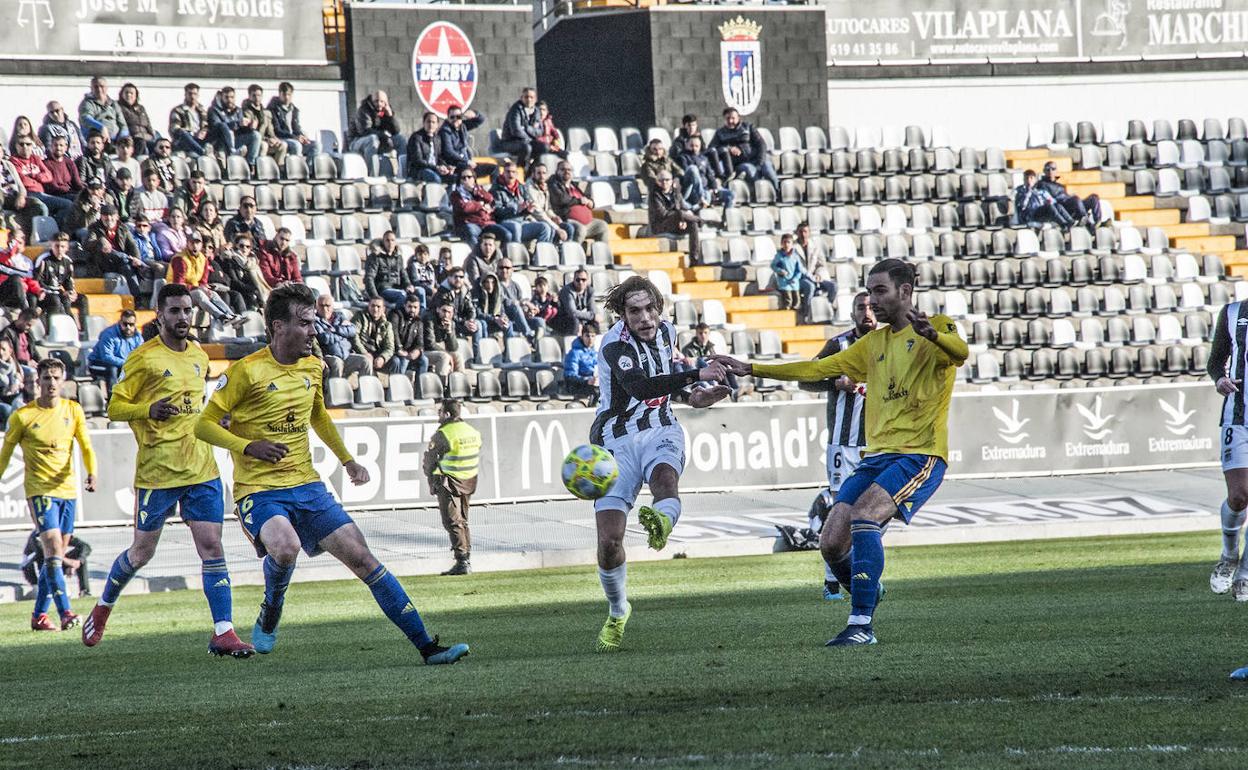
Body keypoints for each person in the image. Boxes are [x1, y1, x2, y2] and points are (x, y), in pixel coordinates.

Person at [193, 282, 469, 663]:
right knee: (285, 547)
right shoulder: (246, 372)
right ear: (277, 327)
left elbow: (318, 415)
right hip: (259, 490)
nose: (313, 330)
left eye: (314, 322)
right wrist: (248, 446)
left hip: (307, 485)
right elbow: (203, 425)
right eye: (305, 323)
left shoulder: (312, 366)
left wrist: (347, 460)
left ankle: (428, 647)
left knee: (364, 559)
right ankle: (271, 609)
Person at [711, 258, 968, 647]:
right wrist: (751, 367)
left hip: (920, 454)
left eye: (880, 291)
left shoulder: (939, 326)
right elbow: (818, 370)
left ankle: (861, 624)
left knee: (865, 518)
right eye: (869, 291)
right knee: (831, 541)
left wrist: (932, 335)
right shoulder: (873, 344)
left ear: (906, 291)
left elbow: (959, 352)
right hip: (876, 456)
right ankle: (869, 591)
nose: (872, 300)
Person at [83, 284, 254, 656]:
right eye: (174, 311)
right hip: (158, 472)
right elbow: (114, 408)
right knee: (142, 553)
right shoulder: (143, 359)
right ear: (159, 315)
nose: (181, 318)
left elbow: (197, 405)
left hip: (201, 467)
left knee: (211, 547)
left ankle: (224, 632)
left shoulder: (197, 355)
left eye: (186, 311)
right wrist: (148, 410)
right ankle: (104, 605)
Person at [589, 276, 731, 651]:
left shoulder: (668, 332)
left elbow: (666, 385)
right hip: (615, 441)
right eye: (635, 311)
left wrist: (697, 397)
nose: (646, 318)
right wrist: (697, 374)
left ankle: (661, 522)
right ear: (623, 315)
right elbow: (640, 387)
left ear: (659, 308)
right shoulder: (613, 345)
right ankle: (619, 610)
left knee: (665, 480)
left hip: (660, 428)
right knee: (608, 542)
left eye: (651, 308)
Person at [0, 358, 98, 632]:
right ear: (38, 382)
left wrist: (92, 472)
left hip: (68, 491)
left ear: (63, 380)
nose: (51, 383)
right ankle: (66, 611)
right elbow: (5, 454)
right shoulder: (23, 416)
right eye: (46, 378)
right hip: (40, 490)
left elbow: (87, 446)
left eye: (56, 378)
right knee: (54, 549)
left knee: (55, 556)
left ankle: (39, 616)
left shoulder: (73, 410)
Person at [805, 291, 875, 600]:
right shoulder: (839, 345)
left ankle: (862, 575)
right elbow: (805, 379)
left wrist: (857, 385)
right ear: (852, 314)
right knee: (839, 510)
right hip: (842, 446)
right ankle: (831, 580)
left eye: (872, 306)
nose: (867, 312)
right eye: (861, 307)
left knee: (870, 513)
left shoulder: (890, 344)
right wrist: (834, 381)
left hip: (876, 443)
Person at [1206, 299, 1248, 603]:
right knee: (1239, 494)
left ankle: (1245, 576)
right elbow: (1215, 360)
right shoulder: (1234, 312)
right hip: (1238, 416)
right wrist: (1219, 379)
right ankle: (1228, 554)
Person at [422, 399, 482, 576]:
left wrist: (431, 480)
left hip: (448, 482)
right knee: (463, 519)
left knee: (452, 520)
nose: (438, 415)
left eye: (440, 411)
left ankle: (462, 561)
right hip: (469, 481)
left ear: (447, 414)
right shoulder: (472, 431)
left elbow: (429, 461)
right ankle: (466, 556)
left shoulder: (443, 434)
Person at [167, 230, 246, 330]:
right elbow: (178, 285)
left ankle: (232, 316)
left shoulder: (203, 259)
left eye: (198, 243)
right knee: (200, 294)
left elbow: (203, 282)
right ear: (188, 243)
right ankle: (221, 317)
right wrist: (199, 288)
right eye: (192, 243)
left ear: (201, 244)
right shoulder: (180, 259)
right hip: (175, 294)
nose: (195, 246)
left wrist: (204, 289)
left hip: (191, 291)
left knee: (212, 294)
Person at [708, 108, 779, 192]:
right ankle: (761, 195)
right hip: (742, 163)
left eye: (733, 118)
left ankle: (778, 192)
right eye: (728, 118)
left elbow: (761, 144)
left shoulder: (748, 127)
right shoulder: (720, 133)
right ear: (724, 119)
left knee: (769, 172)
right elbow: (711, 148)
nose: (730, 121)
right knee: (751, 173)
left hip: (759, 158)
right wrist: (728, 148)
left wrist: (760, 162)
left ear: (738, 118)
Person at [10, 135, 73, 224]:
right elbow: (22, 180)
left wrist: (34, 176)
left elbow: (48, 176)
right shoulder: (14, 161)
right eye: (21, 144)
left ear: (32, 145)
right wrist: (38, 180)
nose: (25, 147)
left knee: (69, 204)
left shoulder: (35, 158)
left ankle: (55, 230)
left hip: (42, 194)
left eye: (28, 144)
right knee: (65, 204)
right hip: (28, 194)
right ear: (16, 146)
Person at [86, 204, 145, 297]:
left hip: (121, 263)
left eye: (111, 215)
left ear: (117, 216)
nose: (108, 218)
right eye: (105, 215)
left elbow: (132, 245)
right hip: (104, 262)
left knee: (128, 268)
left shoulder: (123, 228)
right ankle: (127, 259)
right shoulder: (94, 228)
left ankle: (137, 299)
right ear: (101, 216)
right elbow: (88, 244)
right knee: (121, 257)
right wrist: (101, 241)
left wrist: (136, 259)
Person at [491, 159, 554, 245]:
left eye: (513, 172)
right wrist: (516, 209)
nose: (510, 174)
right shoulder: (496, 189)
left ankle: (540, 254)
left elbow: (527, 204)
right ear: (503, 173)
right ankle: (516, 254)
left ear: (517, 174)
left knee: (545, 227)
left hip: (522, 222)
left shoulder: (521, 188)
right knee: (516, 226)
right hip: (505, 222)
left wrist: (528, 209)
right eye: (508, 172)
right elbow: (496, 212)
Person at [35, 232, 88, 329]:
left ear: (67, 247)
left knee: (82, 299)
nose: (60, 249)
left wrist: (71, 291)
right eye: (57, 246)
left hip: (59, 293)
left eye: (63, 246)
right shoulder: (43, 260)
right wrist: (56, 291)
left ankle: (85, 330)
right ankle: (53, 330)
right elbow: (36, 282)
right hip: (44, 295)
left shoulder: (67, 261)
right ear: (52, 245)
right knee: (56, 300)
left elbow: (68, 280)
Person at [647, 170, 702, 264]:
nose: (664, 182)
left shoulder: (676, 193)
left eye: (667, 180)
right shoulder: (654, 195)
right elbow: (663, 214)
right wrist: (680, 217)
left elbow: (683, 208)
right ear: (657, 181)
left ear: (672, 181)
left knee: (693, 224)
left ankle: (694, 259)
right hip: (660, 226)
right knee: (679, 214)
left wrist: (683, 220)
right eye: (661, 180)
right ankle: (700, 220)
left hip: (676, 224)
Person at [549, 160, 608, 245]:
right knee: (581, 230)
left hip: (588, 223)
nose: (566, 171)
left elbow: (586, 198)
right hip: (567, 220)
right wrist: (580, 201)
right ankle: (573, 254)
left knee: (602, 226)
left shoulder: (574, 185)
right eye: (563, 169)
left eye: (569, 169)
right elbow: (562, 199)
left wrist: (591, 202)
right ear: (557, 172)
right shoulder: (554, 185)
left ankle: (602, 254)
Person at [313, 292, 370, 379]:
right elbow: (324, 337)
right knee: (337, 363)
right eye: (321, 305)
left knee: (365, 361)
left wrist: (335, 330)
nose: (325, 309)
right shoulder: (315, 321)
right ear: (317, 306)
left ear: (332, 307)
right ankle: (335, 391)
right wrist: (343, 334)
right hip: (329, 356)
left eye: (327, 305)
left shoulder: (339, 316)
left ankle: (365, 390)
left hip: (346, 355)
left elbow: (352, 330)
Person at [348, 90, 406, 171]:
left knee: (400, 139)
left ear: (386, 103)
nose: (379, 104)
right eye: (376, 101)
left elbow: (396, 131)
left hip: (378, 141)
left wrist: (390, 116)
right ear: (371, 100)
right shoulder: (364, 110)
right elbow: (365, 131)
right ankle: (373, 175)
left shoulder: (384, 111)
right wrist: (384, 136)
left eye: (382, 101)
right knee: (372, 139)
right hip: (356, 143)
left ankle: (403, 173)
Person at [23, 529, 91, 597]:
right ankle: (44, 588)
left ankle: (84, 592)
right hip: (42, 568)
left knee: (81, 558)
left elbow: (85, 546)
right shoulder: (38, 537)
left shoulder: (58, 532)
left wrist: (77, 562)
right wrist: (70, 563)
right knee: (61, 595)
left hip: (56, 561)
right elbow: (49, 555)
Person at [450, 167, 509, 247]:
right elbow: (465, 208)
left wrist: (477, 192)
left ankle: (500, 257)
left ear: (474, 179)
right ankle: (477, 256)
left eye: (469, 177)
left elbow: (490, 199)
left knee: (507, 235)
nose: (466, 179)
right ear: (460, 180)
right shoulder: (455, 194)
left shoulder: (479, 190)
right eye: (463, 178)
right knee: (471, 232)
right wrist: (480, 205)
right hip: (469, 223)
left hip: (485, 223)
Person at [1038, 161, 1100, 231]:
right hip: (1063, 207)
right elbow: (1047, 198)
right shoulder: (1042, 184)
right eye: (1048, 169)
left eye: (1053, 169)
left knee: (1093, 198)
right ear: (1044, 171)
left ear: (1056, 171)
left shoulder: (1059, 185)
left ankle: (1098, 222)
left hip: (1073, 205)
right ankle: (1087, 222)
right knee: (1075, 199)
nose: (1050, 171)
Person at [209, 87, 261, 166]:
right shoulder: (214, 110)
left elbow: (242, 129)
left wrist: (249, 126)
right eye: (226, 97)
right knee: (225, 128)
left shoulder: (238, 110)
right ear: (221, 97)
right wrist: (236, 123)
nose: (229, 100)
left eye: (232, 97)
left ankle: (251, 164)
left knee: (256, 135)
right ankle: (232, 151)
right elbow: (217, 127)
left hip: (236, 139)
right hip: (221, 141)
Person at [87, 309, 141, 386]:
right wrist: (127, 363)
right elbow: (106, 357)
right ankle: (112, 395)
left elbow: (140, 354)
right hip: (98, 363)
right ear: (120, 322)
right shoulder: (109, 334)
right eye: (125, 324)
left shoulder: (137, 336)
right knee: (113, 368)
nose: (128, 327)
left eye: (131, 324)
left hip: (123, 363)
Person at [268, 82, 320, 159]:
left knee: (316, 145)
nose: (287, 97)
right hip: (282, 138)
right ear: (279, 94)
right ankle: (296, 169)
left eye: (289, 95)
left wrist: (301, 136)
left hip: (293, 137)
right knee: (296, 145)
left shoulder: (294, 110)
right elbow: (277, 130)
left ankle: (309, 168)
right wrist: (294, 137)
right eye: (284, 94)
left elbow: (296, 127)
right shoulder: (273, 109)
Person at [498, 87, 546, 171]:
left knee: (544, 147)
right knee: (526, 147)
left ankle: (530, 171)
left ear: (535, 99)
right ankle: (520, 171)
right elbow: (516, 130)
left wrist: (527, 128)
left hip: (526, 141)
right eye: (526, 97)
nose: (529, 100)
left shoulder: (537, 111)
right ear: (521, 98)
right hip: (509, 142)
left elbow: (540, 131)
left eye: (531, 97)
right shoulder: (515, 110)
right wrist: (530, 137)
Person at [242, 84, 288, 167]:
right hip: (253, 142)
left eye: (259, 95)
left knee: (282, 145)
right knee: (264, 145)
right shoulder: (246, 111)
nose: (257, 98)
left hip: (265, 139)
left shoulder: (266, 113)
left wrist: (274, 139)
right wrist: (267, 139)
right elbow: (251, 132)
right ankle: (260, 170)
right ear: (249, 96)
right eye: (254, 95)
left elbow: (271, 131)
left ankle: (277, 169)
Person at [498, 258, 543, 341]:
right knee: (515, 307)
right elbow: (507, 302)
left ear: (512, 270)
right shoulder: (496, 285)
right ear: (497, 269)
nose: (504, 270)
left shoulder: (515, 285)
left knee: (540, 321)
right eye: (501, 267)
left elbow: (520, 301)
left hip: (518, 319)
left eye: (507, 268)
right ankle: (528, 335)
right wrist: (525, 303)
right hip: (503, 317)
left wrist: (528, 311)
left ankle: (537, 345)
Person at [526, 163, 574, 242]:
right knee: (550, 228)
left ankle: (564, 251)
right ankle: (544, 252)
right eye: (539, 173)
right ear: (533, 174)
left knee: (568, 227)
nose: (542, 176)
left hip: (546, 219)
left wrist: (554, 216)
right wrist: (556, 227)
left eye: (544, 173)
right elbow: (538, 213)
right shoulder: (529, 188)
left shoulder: (544, 186)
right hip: (533, 219)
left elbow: (548, 208)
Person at [364, 230, 412, 308]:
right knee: (402, 295)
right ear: (383, 242)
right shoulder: (375, 257)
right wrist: (375, 297)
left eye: (392, 240)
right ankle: (397, 317)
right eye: (387, 240)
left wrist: (408, 285)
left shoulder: (398, 257)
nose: (390, 243)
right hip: (384, 289)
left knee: (420, 291)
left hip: (398, 287)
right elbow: (369, 278)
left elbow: (404, 274)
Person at [389, 294, 433, 376]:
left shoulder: (418, 321)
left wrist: (417, 350)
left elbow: (420, 341)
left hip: (409, 352)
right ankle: (399, 386)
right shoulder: (396, 315)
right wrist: (399, 349)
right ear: (404, 305)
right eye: (409, 306)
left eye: (415, 307)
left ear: (419, 308)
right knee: (404, 360)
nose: (412, 310)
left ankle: (419, 387)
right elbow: (394, 333)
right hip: (395, 351)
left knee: (424, 360)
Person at [353, 297, 398, 374]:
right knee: (366, 360)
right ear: (368, 306)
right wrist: (364, 353)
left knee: (396, 361)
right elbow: (354, 337)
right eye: (373, 306)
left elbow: (390, 347)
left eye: (378, 306)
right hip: (361, 352)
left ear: (383, 309)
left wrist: (382, 358)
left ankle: (394, 384)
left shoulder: (387, 325)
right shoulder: (359, 317)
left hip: (377, 354)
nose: (375, 309)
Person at [438, 104, 486, 173]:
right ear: (448, 118)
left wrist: (475, 114)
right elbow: (449, 152)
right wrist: (466, 161)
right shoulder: (445, 131)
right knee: (469, 171)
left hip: (467, 161)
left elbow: (480, 120)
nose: (455, 119)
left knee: (493, 168)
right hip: (455, 163)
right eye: (452, 117)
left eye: (458, 117)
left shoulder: (463, 126)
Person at [78, 76, 126, 144]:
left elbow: (123, 125)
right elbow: (86, 119)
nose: (99, 89)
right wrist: (101, 127)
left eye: (102, 86)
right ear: (91, 89)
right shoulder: (87, 103)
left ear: (106, 88)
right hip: (97, 140)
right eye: (96, 87)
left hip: (116, 141)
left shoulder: (114, 104)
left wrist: (121, 139)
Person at [406, 112, 451, 183]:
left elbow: (439, 157)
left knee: (453, 178)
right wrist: (436, 168)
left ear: (437, 125)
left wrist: (446, 167)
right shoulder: (416, 137)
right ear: (424, 123)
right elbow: (417, 161)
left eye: (433, 122)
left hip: (434, 168)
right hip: (419, 170)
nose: (431, 125)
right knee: (435, 179)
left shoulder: (437, 138)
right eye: (428, 121)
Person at [551, 268, 596, 337]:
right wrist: (592, 316)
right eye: (578, 280)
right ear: (573, 280)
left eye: (583, 280)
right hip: (563, 320)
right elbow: (572, 312)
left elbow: (592, 311)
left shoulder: (590, 291)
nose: (580, 282)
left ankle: (596, 345)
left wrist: (593, 317)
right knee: (575, 321)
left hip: (579, 318)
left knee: (595, 322)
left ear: (587, 281)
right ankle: (572, 343)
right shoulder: (567, 291)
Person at [169, 82, 210, 157]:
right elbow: (174, 129)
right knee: (183, 132)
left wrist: (203, 131)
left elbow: (206, 126)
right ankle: (202, 152)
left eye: (195, 94)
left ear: (198, 95)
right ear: (185, 95)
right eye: (190, 94)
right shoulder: (178, 110)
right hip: (184, 141)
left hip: (200, 140)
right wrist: (192, 134)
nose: (192, 96)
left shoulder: (202, 111)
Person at [770, 232, 807, 313]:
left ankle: (796, 311)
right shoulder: (779, 255)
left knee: (797, 298)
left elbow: (799, 269)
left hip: (794, 281)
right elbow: (773, 266)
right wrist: (780, 271)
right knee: (788, 298)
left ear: (792, 244)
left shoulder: (795, 256)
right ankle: (787, 310)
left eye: (788, 242)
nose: (786, 244)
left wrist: (796, 278)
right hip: (784, 281)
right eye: (784, 242)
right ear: (781, 244)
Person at [117, 83, 157, 155]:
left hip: (146, 136)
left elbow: (148, 124)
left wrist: (152, 135)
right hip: (132, 137)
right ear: (121, 94)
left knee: (159, 144)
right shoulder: (118, 107)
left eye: (131, 93)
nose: (129, 95)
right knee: (141, 142)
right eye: (126, 93)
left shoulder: (141, 108)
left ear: (136, 96)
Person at [563, 321, 598, 400]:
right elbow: (570, 375)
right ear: (582, 337)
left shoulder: (596, 354)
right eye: (587, 336)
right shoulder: (574, 353)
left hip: (594, 383)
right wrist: (586, 380)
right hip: (578, 385)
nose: (590, 339)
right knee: (597, 391)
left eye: (593, 336)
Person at [0, 339, 24, 428]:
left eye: (3, 349)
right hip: (1, 399)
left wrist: (18, 383)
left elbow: (18, 383)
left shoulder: (13, 365)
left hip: (9, 396)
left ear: (10, 351)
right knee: (7, 410)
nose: (0, 352)